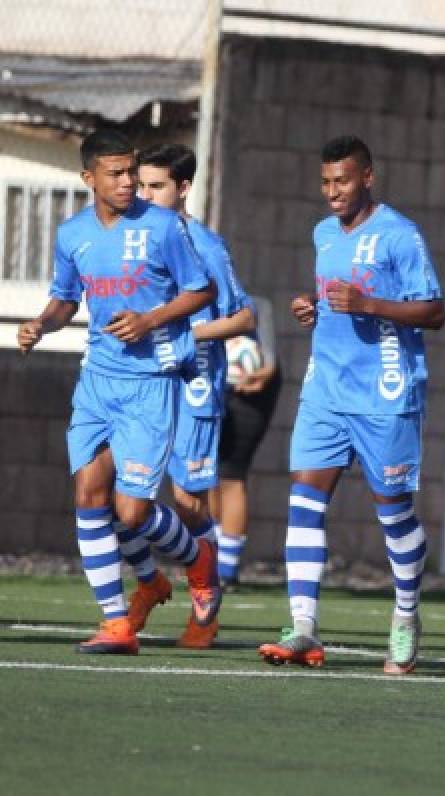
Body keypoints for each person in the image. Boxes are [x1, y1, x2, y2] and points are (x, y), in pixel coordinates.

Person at [17, 129, 218, 654]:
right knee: (88, 495)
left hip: (150, 385)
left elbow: (203, 290)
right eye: (116, 173)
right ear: (89, 179)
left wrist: (151, 319)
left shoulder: (165, 227)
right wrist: (40, 323)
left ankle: (198, 561)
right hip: (98, 380)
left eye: (131, 171)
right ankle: (115, 622)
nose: (128, 182)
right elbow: (65, 299)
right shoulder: (73, 234)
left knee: (131, 514)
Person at [257, 136, 445, 672]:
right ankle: (303, 627)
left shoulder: (400, 235)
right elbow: (335, 297)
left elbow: (433, 310)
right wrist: (311, 307)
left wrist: (370, 305)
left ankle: (406, 616)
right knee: (304, 499)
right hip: (326, 391)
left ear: (368, 177)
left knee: (394, 514)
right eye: (326, 182)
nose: (333, 192)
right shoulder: (323, 233)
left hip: (386, 394)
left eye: (343, 180)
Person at [115, 143, 256, 649]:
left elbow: (244, 318)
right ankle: (150, 583)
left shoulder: (206, 245)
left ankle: (205, 599)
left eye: (157, 186)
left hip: (194, 388)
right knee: (116, 493)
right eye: (142, 185)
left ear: (184, 188)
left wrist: (185, 334)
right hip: (139, 386)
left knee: (188, 503)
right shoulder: (135, 239)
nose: (146, 194)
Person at [211, 295, 283, 589]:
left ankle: (226, 571)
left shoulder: (255, 304)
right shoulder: (191, 300)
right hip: (212, 388)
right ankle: (212, 563)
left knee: (231, 475)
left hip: (251, 392)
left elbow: (269, 361)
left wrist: (257, 374)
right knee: (207, 474)